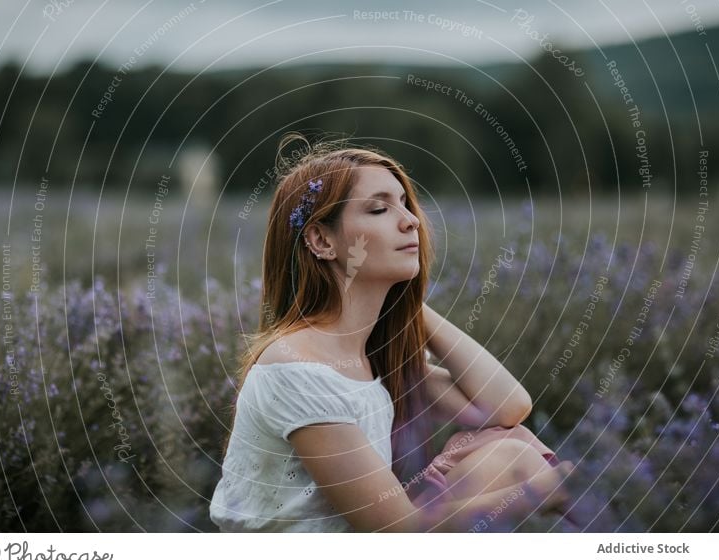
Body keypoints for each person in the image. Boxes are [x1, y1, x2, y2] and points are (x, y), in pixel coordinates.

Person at [209, 133, 576, 532]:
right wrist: (548, 491)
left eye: (404, 203)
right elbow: (396, 532)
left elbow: (507, 408)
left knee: (511, 446)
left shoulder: (370, 356)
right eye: (379, 209)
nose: (411, 220)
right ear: (321, 239)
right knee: (531, 473)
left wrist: (408, 304)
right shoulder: (298, 369)